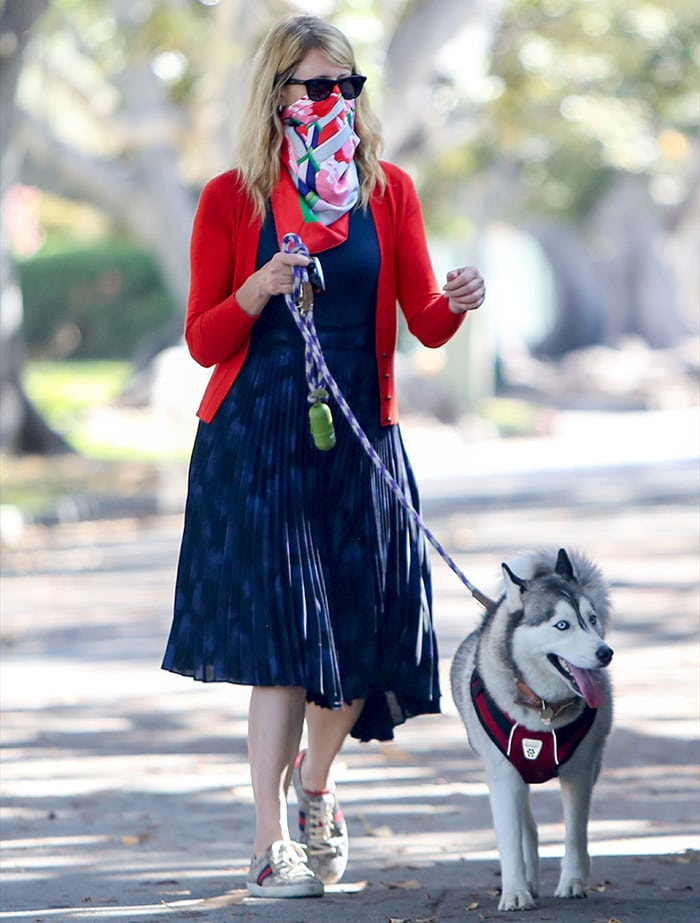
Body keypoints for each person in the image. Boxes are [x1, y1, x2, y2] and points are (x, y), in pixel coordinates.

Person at [161, 13, 486, 899]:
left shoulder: (389, 193)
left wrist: (455, 302)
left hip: (360, 436)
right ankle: (270, 840)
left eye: (345, 86)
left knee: (359, 633)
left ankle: (315, 789)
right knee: (283, 647)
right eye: (315, 86)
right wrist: (257, 288)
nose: (332, 101)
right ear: (276, 92)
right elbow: (200, 338)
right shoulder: (233, 196)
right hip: (257, 441)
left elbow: (422, 321)